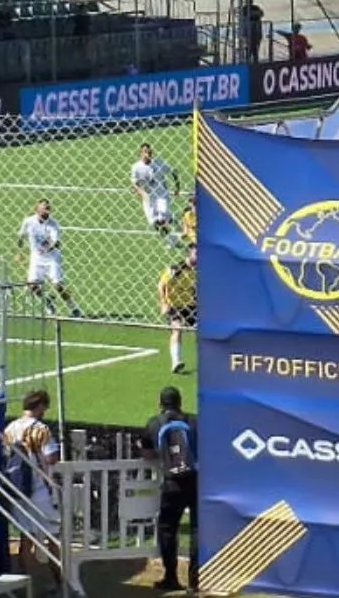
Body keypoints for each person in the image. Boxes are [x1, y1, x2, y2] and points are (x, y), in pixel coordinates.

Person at [2, 390, 63, 593]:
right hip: (41, 491)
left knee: (25, 539)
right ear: (39, 406)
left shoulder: (10, 429)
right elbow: (51, 458)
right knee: (54, 538)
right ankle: (61, 584)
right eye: (44, 407)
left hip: (20, 491)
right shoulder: (41, 429)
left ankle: (26, 588)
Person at [143, 387, 198, 593]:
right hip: (195, 481)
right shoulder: (194, 421)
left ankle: (171, 576)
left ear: (161, 404)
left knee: (167, 528)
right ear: (180, 402)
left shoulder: (154, 423)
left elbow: (147, 453)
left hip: (171, 483)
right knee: (197, 530)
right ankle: (195, 582)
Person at [18, 199, 85, 318]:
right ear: (37, 209)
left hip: (52, 258)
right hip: (36, 258)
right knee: (32, 285)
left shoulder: (53, 224)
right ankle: (48, 301)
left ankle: (74, 308)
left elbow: (56, 243)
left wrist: (46, 249)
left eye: (48, 208)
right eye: (45, 207)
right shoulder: (28, 222)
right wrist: (19, 252)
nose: (47, 210)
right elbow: (21, 237)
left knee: (58, 285)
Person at [132, 143, 180, 251]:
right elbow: (135, 183)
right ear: (140, 153)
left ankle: (170, 239)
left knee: (161, 220)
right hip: (148, 199)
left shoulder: (159, 163)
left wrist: (177, 188)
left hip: (162, 196)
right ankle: (173, 234)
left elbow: (174, 172)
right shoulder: (136, 167)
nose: (148, 154)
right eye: (145, 152)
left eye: (150, 152)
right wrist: (142, 192)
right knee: (154, 223)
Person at [159, 245, 197, 374]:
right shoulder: (176, 269)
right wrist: (164, 303)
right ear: (189, 254)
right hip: (174, 306)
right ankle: (176, 361)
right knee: (177, 328)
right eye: (196, 254)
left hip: (191, 306)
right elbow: (161, 285)